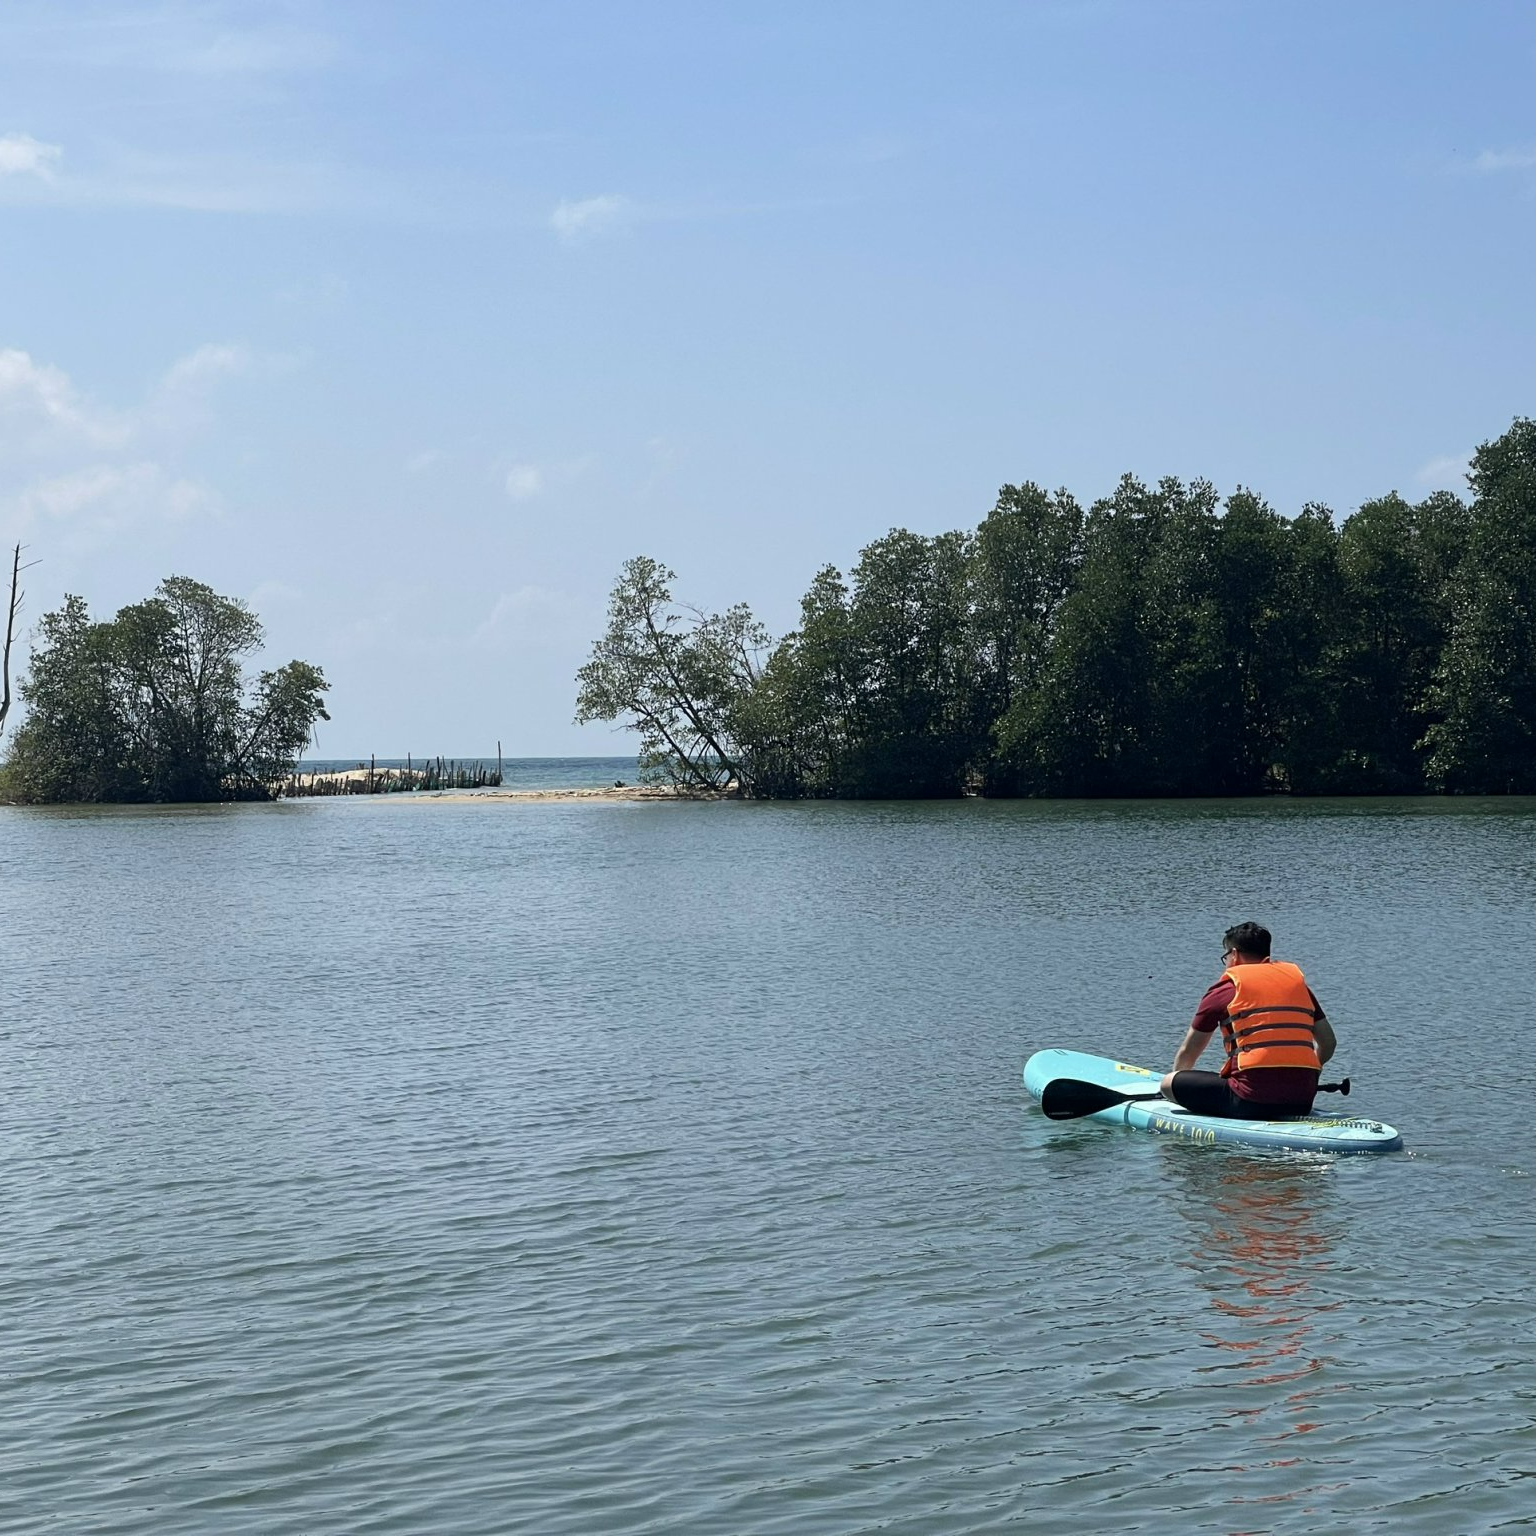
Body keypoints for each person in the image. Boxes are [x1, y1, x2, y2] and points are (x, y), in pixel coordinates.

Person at [1159, 921, 1337, 1119]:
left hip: (1250, 1101)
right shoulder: (1299, 989)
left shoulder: (1225, 990)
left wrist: (1177, 1088)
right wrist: (1311, 1076)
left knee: (1168, 1082)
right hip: (1302, 1101)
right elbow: (1328, 1043)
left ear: (1234, 955)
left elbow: (1189, 1051)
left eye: (1225, 956)